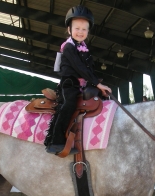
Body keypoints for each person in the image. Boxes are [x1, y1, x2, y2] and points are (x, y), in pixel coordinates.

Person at [45, 5, 112, 155]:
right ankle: (55, 142)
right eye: (77, 28)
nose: (80, 32)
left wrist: (98, 85)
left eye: (84, 29)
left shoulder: (84, 47)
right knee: (68, 104)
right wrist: (97, 83)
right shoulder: (68, 47)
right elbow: (80, 68)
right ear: (69, 30)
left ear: (88, 32)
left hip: (82, 84)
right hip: (69, 83)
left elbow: (88, 69)